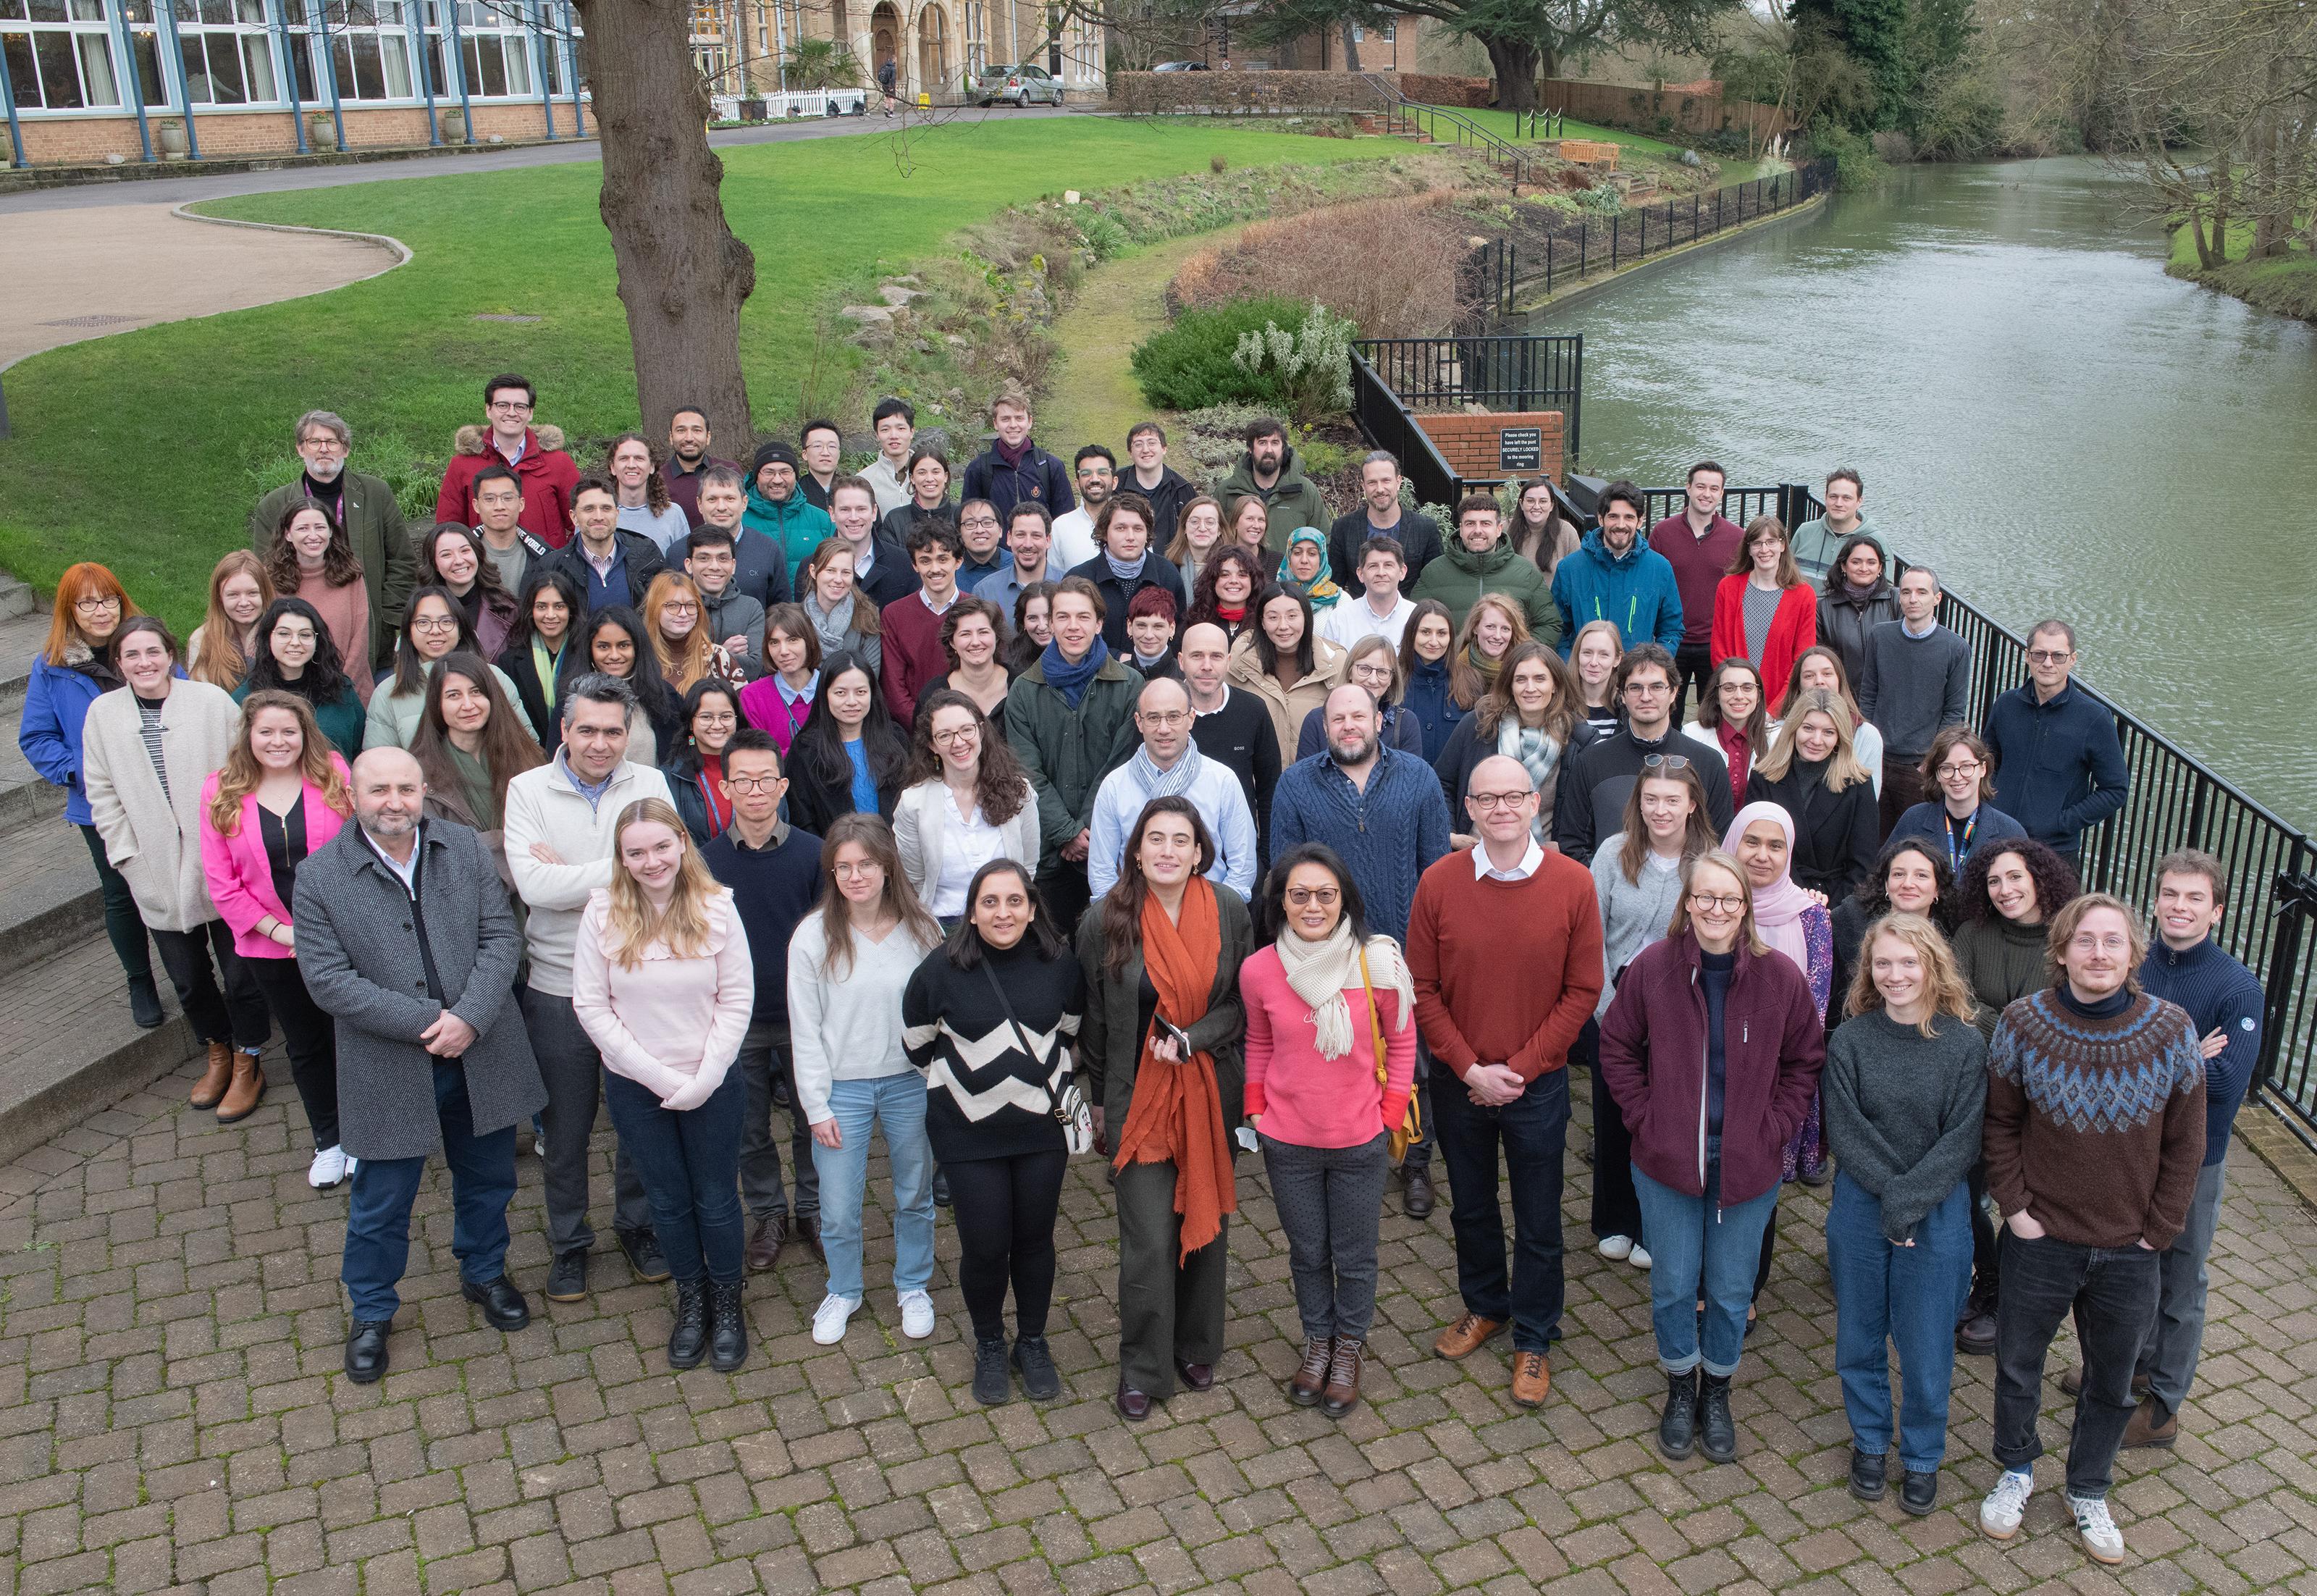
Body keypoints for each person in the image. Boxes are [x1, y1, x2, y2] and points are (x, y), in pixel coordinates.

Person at [293, 747, 545, 1384]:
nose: (394, 802)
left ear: (423, 790)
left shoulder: (462, 849)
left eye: (406, 788)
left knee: (489, 1178)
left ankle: (484, 1272)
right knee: (382, 1200)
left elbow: (501, 936)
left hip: (481, 1050)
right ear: (352, 796)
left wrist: (471, 1017)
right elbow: (327, 981)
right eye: (379, 789)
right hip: (389, 1063)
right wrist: (430, 1023)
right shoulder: (319, 877)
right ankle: (372, 1311)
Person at [1977, 894, 2205, 1567]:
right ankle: (2016, 1469)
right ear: (2061, 950)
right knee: (2018, 1365)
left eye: (2112, 941)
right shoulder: (2022, 1023)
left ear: (2134, 954)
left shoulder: (2171, 1030)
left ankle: (2088, 1487)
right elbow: (2000, 1124)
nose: (2098, 953)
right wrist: (2016, 1210)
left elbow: (2187, 1144)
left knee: (2111, 1380)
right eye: (2084, 940)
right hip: (2040, 1240)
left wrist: (2160, 1229)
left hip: (2131, 1249)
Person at [1599, 850, 1825, 1464]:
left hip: (1748, 1164)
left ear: (1746, 907)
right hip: (1668, 1163)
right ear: (1688, 903)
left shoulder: (1780, 977)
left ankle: (1717, 1390)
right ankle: (1680, 1385)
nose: (1717, 909)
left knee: (1729, 1290)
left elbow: (1805, 1060)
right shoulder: (1653, 968)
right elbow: (1616, 1046)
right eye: (1705, 897)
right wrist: (1646, 1119)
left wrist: (1776, 1128)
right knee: (1674, 1284)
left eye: (1730, 898)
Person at [1409, 755, 1603, 1408]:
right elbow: (1422, 986)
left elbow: (1583, 990)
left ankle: (1536, 1334)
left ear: (1534, 803)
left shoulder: (1573, 884)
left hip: (1535, 1085)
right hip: (1459, 1083)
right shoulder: (1438, 882)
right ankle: (1487, 1305)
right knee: (1470, 1206)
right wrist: (1469, 1068)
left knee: (1540, 1217)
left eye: (1513, 797)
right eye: (1487, 799)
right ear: (1468, 808)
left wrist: (1518, 1070)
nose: (1501, 809)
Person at [502, 675, 677, 1303]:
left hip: (637, 982)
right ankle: (569, 1243)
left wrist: (572, 875)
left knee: (638, 1123)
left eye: (612, 731)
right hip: (557, 987)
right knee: (566, 1130)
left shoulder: (651, 784)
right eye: (588, 731)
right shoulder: (527, 791)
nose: (600, 744)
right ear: (565, 730)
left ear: (628, 734)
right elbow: (533, 888)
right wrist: (626, 868)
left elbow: (667, 874)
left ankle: (638, 1227)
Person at [1077, 797, 1250, 1417]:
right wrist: (1101, 1103)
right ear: (1136, 851)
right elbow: (1096, 1021)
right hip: (1138, 1100)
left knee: (1206, 1218)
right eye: (1155, 838)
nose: (1168, 850)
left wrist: (1192, 1039)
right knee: (1149, 1239)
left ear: (1200, 852)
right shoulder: (1105, 920)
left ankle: (1196, 1344)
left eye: (1181, 839)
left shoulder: (1229, 910)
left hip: (1209, 1090)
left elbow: (1240, 1006)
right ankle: (1144, 1368)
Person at [573, 797, 755, 1372]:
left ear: (681, 843)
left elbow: (737, 998)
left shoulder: (717, 906)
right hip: (636, 1087)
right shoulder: (601, 913)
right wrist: (657, 1077)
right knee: (668, 1201)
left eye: (660, 847)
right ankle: (692, 1298)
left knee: (717, 1197)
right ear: (621, 858)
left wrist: (705, 1077)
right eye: (636, 853)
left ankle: (727, 1299)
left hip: (713, 1082)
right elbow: (591, 1006)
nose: (651, 861)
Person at [902, 860, 1087, 1406]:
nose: (1002, 913)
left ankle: (1031, 1341)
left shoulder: (1060, 963)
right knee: (985, 1247)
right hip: (967, 1136)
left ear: (1031, 909)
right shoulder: (939, 971)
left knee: (1034, 1240)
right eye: (990, 902)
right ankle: (988, 1342)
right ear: (972, 912)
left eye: (1014, 901)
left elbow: (1070, 1032)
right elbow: (917, 1043)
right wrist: (971, 1092)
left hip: (1040, 1131)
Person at [1822, 912, 1987, 1516]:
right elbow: (1847, 1132)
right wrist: (1897, 1201)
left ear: (1933, 966)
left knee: (1925, 1346)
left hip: (1937, 1213)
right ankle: (1869, 1442)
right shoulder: (1850, 1041)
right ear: (1869, 970)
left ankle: (1922, 1455)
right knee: (1859, 1336)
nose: (1896, 975)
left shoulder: (1965, 1045)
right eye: (1883, 963)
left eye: (1908, 962)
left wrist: (1908, 1203)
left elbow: (1962, 1141)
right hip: (1861, 1209)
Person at [1242, 842, 1415, 1416]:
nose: (1312, 906)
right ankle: (1318, 1342)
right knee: (1308, 1252)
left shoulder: (1378, 963)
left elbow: (1404, 1043)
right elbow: (1259, 1041)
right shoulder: (1259, 970)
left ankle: (1349, 1349)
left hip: (1359, 1140)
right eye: (1299, 895)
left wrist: (1388, 1117)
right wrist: (1257, 1109)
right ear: (1280, 902)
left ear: (1345, 900)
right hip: (1287, 1141)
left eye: (1325, 894)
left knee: (1355, 1255)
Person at [1270, 683, 1452, 1214]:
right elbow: (1285, 873)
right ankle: (1340, 1155)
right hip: (1328, 950)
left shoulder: (1418, 777)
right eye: (1337, 719)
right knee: (1337, 1058)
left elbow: (1436, 870)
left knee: (1415, 1064)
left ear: (1379, 720)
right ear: (1324, 728)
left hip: (1404, 950)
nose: (1348, 725)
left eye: (1358, 716)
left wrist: (1430, 947)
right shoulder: (1296, 784)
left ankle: (1416, 1161)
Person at [83, 616, 269, 1114]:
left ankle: (249, 1058)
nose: (144, 663)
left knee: (242, 974)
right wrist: (127, 856)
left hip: (225, 866)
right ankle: (218, 1050)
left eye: (153, 652)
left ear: (171, 656)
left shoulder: (210, 702)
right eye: (132, 654)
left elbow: (246, 769)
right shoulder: (102, 715)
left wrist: (240, 841)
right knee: (187, 977)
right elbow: (101, 791)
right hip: (156, 869)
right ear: (118, 663)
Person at [2121, 849, 2264, 1450]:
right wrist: (2186, 1056)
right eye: (2171, 895)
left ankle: (2163, 1407)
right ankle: (2134, 1367)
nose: (2180, 907)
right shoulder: (2133, 964)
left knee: (2181, 1278)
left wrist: (2143, 1058)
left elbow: (2226, 1084)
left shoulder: (2238, 987)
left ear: (2217, 911)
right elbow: (2102, 1054)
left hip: (2194, 1158)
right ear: (2156, 901)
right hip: (2128, 1149)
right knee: (2132, 1267)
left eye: (2195, 898)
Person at [787, 812, 942, 1341]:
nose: (855, 876)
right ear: (831, 873)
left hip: (910, 1082)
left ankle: (913, 1285)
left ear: (888, 867)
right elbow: (805, 1028)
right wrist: (816, 1105)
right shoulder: (813, 937)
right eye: (844, 867)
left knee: (915, 1193)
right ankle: (844, 1289)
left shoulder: (923, 931)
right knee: (836, 1207)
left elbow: (942, 1013)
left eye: (867, 864)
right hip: (841, 1090)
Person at [198, 691, 354, 1185]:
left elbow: (360, 853)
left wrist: (324, 929)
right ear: (248, 735)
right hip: (271, 946)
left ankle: (364, 1136)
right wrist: (280, 930)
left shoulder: (334, 775)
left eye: (289, 731)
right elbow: (222, 882)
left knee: (351, 1037)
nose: (278, 741)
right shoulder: (220, 790)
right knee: (306, 1043)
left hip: (342, 939)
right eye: (266, 731)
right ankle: (329, 1141)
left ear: (305, 734)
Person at [699, 729, 827, 1272]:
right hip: (737, 1022)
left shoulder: (814, 854)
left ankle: (813, 1210)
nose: (756, 791)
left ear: (783, 785)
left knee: (811, 1119)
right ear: (725, 788)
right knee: (748, 1127)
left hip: (804, 1018)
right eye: (743, 781)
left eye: (766, 780)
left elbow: (829, 938)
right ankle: (769, 1214)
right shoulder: (704, 864)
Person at [1586, 760, 1719, 1273]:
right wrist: (1606, 1008)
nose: (1660, 810)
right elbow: (1591, 933)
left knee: (1667, 1119)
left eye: (1672, 800)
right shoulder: (1613, 853)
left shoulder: (1709, 861)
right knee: (1614, 1115)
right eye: (1651, 800)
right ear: (1638, 804)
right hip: (1615, 1001)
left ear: (1692, 805)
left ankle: (1653, 1224)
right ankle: (1615, 1218)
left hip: (1680, 1007)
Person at [20, 564, 164, 1029]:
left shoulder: (145, 646)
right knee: (121, 893)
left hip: (163, 791)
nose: (101, 611)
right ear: (70, 609)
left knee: (177, 878)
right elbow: (37, 737)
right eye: (87, 602)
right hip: (98, 804)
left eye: (109, 599)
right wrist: (85, 773)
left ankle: (192, 974)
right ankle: (140, 981)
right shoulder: (52, 666)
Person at [1949, 838, 2078, 1355]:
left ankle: (2010, 1302)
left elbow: (2065, 1023)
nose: (2004, 890)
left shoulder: (2067, 941)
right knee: (1965, 1196)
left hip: (2043, 1097)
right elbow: (1952, 999)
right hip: (1976, 1091)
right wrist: (2019, 1025)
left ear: (2040, 877)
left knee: (2026, 1203)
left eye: (2015, 877)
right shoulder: (1971, 934)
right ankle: (1989, 1279)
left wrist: (1991, 1021)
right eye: (1994, 881)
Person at [1006, 577, 1143, 939]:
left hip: (1111, 848)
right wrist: (1067, 832)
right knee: (1050, 949)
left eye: (1083, 617)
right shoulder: (1024, 690)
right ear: (1050, 623)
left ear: (1099, 624)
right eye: (1063, 617)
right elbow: (1026, 771)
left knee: (1111, 949)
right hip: (1048, 854)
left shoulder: (1130, 685)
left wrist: (1086, 829)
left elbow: (1122, 764)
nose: (1073, 626)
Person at [1725, 802, 1837, 1197]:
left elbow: (1815, 1004)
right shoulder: (1712, 904)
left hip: (1781, 1059)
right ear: (1733, 843)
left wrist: (1768, 1052)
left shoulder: (1811, 915)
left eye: (1776, 846)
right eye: (1751, 842)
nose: (1762, 855)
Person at [251, 409, 414, 668]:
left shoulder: (376, 493)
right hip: (298, 631)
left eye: (332, 442)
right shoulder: (274, 506)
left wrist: (385, 616)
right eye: (314, 442)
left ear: (345, 449)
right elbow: (264, 573)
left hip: (367, 630)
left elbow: (403, 560)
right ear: (300, 449)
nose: (324, 449)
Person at [1552, 644, 1733, 865]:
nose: (1646, 697)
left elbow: (1718, 844)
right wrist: (1608, 880)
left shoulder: (1708, 763)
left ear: (1674, 692)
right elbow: (1573, 842)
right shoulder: (1591, 762)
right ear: (1622, 694)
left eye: (1657, 687)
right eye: (1636, 688)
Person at [1087, 678, 1258, 902]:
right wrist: (1121, 914)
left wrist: (1218, 912)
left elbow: (1243, 866)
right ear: (1139, 722)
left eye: (1174, 717)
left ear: (1191, 718)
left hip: (1208, 911)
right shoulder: (1115, 786)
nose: (1164, 729)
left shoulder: (1222, 781)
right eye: (1153, 718)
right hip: (1132, 912)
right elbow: (1101, 872)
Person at [1983, 620, 2129, 864]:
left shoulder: (2094, 718)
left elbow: (2115, 789)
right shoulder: (2006, 705)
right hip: (1997, 839)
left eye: (2058, 656)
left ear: (2073, 659)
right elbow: (1987, 762)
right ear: (2027, 656)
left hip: (2055, 852)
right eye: (2040, 654)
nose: (2048, 663)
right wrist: (1991, 805)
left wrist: (2062, 823)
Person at [892, 689, 1040, 921]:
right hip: (944, 925)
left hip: (1007, 921)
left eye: (966, 730)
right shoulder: (913, 804)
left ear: (981, 730)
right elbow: (917, 880)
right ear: (932, 745)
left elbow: (1028, 868)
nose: (959, 742)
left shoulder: (1019, 793)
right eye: (945, 735)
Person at [408, 650, 544, 900]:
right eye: (453, 695)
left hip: (535, 901)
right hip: (463, 900)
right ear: (437, 703)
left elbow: (548, 838)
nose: (468, 705)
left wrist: (479, 845)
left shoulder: (529, 758)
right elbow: (439, 853)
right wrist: (513, 846)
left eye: (476, 692)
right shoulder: (420, 772)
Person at [1434, 641, 1585, 847]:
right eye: (1521, 679)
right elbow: (1442, 783)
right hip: (1478, 850)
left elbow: (1587, 806)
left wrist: (1566, 846)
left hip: (1544, 856)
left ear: (1555, 685)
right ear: (1510, 686)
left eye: (1540, 679)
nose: (1530, 688)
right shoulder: (1478, 725)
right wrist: (1450, 833)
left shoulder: (1578, 737)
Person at [1859, 564, 1972, 830]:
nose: (1913, 599)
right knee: (1872, 836)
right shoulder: (1880, 636)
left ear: (1937, 598)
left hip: (1919, 766)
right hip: (1878, 758)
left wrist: (1932, 760)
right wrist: (1868, 745)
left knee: (1918, 838)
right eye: (1906, 592)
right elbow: (1868, 694)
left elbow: (1954, 712)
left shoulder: (1956, 648)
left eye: (1922, 592)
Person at [1744, 689, 1880, 901]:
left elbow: (1863, 864)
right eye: (1808, 728)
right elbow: (1752, 848)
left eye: (1828, 732)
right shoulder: (1763, 778)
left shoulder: (1858, 784)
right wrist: (1796, 897)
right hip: (1774, 896)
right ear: (1794, 729)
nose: (1816, 740)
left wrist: (1833, 910)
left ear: (1840, 737)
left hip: (1835, 900)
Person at [366, 588, 528, 752]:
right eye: (423, 622)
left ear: (461, 630)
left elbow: (525, 745)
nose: (435, 630)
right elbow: (379, 759)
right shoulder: (387, 693)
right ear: (408, 632)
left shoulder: (494, 677)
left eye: (446, 621)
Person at [434, 373, 578, 547]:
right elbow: (448, 529)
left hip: (546, 563)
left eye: (520, 407)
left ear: (530, 413)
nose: (511, 413)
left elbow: (581, 521)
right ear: (489, 410)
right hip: (484, 563)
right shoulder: (462, 465)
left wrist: (564, 558)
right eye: (502, 405)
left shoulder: (558, 463)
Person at [1648, 461, 1744, 715]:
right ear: (1688, 488)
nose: (1706, 494)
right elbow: (1650, 583)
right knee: (1667, 713)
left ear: (1721, 493)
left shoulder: (1737, 538)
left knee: (1713, 715)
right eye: (1701, 486)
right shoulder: (1663, 532)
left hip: (1714, 643)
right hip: (1671, 640)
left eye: (1714, 488)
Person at [1178, 621, 1282, 853]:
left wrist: (1266, 858)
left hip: (1238, 854)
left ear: (1228, 661)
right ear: (1181, 661)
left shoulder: (1253, 710)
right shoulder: (1162, 711)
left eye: (1216, 656)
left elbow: (1269, 790)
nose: (1207, 666)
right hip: (1173, 854)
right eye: (1197, 656)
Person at [1828, 837, 1956, 1021]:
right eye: (1898, 874)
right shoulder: (1850, 919)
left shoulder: (1954, 931)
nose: (1908, 884)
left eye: (1921, 875)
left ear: (1938, 889)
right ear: (1886, 884)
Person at [1549, 482, 1681, 658]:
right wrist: (1571, 666)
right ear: (1601, 519)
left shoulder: (1660, 568)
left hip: (1637, 673)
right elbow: (1558, 630)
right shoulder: (1570, 568)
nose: (1621, 525)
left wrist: (1653, 666)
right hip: (1585, 672)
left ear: (1640, 521)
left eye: (1629, 517)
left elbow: (1671, 630)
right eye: (1613, 516)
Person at [263, 500, 375, 704]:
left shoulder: (351, 575)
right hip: (289, 695)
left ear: (331, 531)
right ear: (288, 534)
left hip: (346, 690)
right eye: (303, 528)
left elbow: (359, 639)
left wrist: (340, 686)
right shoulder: (270, 580)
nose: (313, 535)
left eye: (320, 527)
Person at [784, 651, 907, 835]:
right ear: (825, 695)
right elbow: (802, 819)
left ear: (872, 693)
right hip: (832, 851)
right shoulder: (806, 750)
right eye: (840, 693)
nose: (852, 702)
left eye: (861, 692)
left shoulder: (896, 739)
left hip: (895, 848)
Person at [1227, 585, 1345, 768]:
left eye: (1292, 616)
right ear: (1262, 622)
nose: (1283, 626)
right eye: (1273, 617)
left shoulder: (1334, 662)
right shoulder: (1239, 663)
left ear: (1306, 617)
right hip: (1257, 779)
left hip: (1318, 778)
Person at [1414, 494, 1557, 644]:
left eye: (1485, 524)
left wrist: (1521, 653)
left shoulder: (1526, 572)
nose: (1478, 530)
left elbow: (1550, 624)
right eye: (1470, 524)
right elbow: (1414, 623)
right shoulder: (1434, 573)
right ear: (1461, 529)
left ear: (1499, 529)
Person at [1887, 726, 2027, 875]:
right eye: (1947, 768)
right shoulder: (1913, 820)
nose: (1957, 777)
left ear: (1983, 769)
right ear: (1937, 774)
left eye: (1966, 766)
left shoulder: (2010, 831)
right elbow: (1884, 873)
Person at [237, 597, 366, 760]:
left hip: (336, 776)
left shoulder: (341, 690)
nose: (295, 642)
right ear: (268, 638)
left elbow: (360, 750)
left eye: (305, 635)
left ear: (317, 641)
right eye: (284, 634)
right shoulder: (246, 697)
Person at [1709, 514, 1815, 711]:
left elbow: (1802, 660)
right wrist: (1737, 696)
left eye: (1771, 542)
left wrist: (1775, 710)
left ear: (1782, 545)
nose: (1764, 550)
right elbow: (1719, 651)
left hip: (1781, 706)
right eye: (1757, 543)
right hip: (1735, 702)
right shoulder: (1728, 587)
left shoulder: (1804, 595)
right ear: (1749, 548)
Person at [1069, 493, 1188, 658]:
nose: (1130, 537)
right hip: (1094, 670)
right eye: (1121, 528)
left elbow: (1180, 631)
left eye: (1138, 529)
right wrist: (1116, 657)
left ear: (1147, 533)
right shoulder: (1080, 578)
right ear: (1104, 532)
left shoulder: (1167, 574)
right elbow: (1069, 634)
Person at [880, 521, 967, 728]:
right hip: (915, 731)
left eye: (943, 559)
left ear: (958, 562)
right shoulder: (894, 615)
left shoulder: (978, 612)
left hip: (968, 729)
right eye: (925, 561)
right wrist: (929, 728)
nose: (935, 569)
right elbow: (894, 688)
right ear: (915, 565)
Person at [542, 476, 668, 616]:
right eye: (589, 509)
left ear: (617, 514)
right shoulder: (553, 567)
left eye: (606, 508)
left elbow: (662, 611)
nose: (599, 516)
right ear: (574, 517)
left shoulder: (647, 555)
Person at [576, 605, 684, 764]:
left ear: (637, 647)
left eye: (623, 645)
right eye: (603, 646)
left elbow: (690, 738)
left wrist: (690, 755)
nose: (614, 655)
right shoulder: (573, 698)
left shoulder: (664, 696)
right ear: (590, 650)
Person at [960, 385, 1076, 526]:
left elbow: (1066, 523)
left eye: (1019, 418)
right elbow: (969, 522)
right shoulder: (979, 469)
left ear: (1030, 421)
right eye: (1005, 419)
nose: (1013, 425)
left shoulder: (1051, 466)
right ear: (995, 423)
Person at [1778, 644, 1885, 795]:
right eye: (1809, 676)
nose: (1819, 681)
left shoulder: (1866, 735)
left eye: (1827, 674)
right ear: (1798, 686)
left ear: (1840, 680)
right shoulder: (1777, 731)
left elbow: (1869, 798)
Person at [499, 568, 586, 749]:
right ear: (531, 611)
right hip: (530, 753)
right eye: (542, 606)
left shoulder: (587, 654)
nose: (550, 615)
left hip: (581, 751)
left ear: (571, 610)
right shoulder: (510, 661)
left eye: (559, 606)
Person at [1295, 635, 1422, 760]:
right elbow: (1305, 772)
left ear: (1391, 680)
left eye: (1382, 672)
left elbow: (1412, 773)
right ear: (1350, 671)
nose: (1373, 680)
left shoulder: (1406, 723)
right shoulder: (1317, 720)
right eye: (1365, 669)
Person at [1327, 452, 1442, 585]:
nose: (1380, 489)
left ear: (1398, 482)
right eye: (1372, 482)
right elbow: (1335, 587)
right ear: (1363, 486)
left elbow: (1436, 585)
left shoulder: (1425, 529)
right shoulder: (1343, 528)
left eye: (1386, 481)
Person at [1216, 416, 1327, 549]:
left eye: (1275, 443)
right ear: (1250, 448)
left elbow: (1324, 541)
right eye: (1262, 443)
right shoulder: (1227, 491)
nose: (1269, 450)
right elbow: (1215, 542)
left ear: (1283, 448)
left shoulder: (1305, 491)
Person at [419, 524, 521, 660]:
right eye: (446, 555)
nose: (459, 561)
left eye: (465, 551)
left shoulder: (508, 610)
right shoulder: (419, 613)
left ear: (477, 554)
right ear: (435, 564)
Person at [739, 441, 835, 586]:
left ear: (796, 476)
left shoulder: (822, 520)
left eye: (785, 472)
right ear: (756, 476)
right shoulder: (739, 519)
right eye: (769, 472)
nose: (777, 480)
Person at [661, 680, 743, 844]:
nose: (717, 725)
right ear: (690, 723)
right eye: (706, 717)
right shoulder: (669, 778)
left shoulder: (756, 769)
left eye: (726, 716)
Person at [1815, 532, 1899, 689]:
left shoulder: (1895, 601)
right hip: (1843, 697)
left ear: (1880, 568)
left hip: (1887, 696)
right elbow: (1818, 659)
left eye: (1871, 563)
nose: (1863, 568)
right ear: (1843, 566)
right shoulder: (1823, 608)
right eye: (1856, 562)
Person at [737, 605, 821, 757]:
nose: (784, 651)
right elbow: (762, 756)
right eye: (774, 642)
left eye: (792, 640)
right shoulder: (752, 695)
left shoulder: (833, 688)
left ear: (809, 641)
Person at [1687, 658, 1769, 814]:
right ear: (1716, 695)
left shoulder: (1776, 738)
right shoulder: (1693, 735)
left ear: (1758, 695)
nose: (1739, 695)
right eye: (1729, 688)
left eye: (1747, 688)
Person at [188, 551, 277, 692]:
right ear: (219, 598)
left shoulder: (283, 634)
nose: (244, 602)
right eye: (233, 595)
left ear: (264, 593)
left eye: (252, 593)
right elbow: (200, 697)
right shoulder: (202, 640)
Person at [644, 571, 746, 695]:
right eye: (673, 605)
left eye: (690, 605)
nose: (683, 613)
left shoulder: (718, 658)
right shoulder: (640, 658)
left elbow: (743, 705)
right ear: (654, 609)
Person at [799, 537, 886, 680]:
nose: (838, 579)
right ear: (813, 571)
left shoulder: (867, 616)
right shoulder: (797, 619)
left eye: (846, 572)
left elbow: (870, 675)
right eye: (830, 570)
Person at [684, 525, 767, 672]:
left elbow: (754, 668)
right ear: (689, 565)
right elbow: (673, 666)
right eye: (704, 558)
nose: (715, 567)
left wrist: (702, 657)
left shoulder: (750, 608)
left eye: (723, 558)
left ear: (733, 565)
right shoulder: (675, 607)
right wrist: (722, 652)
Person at [1319, 537, 1415, 652]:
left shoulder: (1416, 617)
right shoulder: (1339, 618)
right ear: (1360, 574)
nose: (1381, 573)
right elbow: (1329, 662)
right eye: (1373, 566)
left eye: (1388, 565)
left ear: (1402, 572)